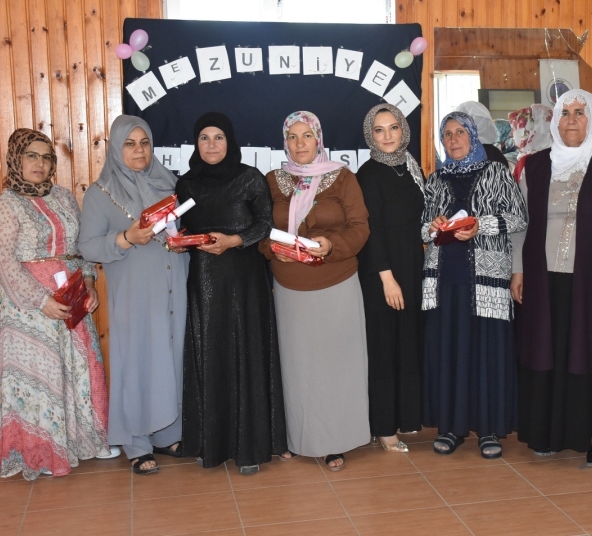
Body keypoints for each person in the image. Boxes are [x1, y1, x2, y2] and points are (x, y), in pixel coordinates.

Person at [511, 89, 592, 467]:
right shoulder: (534, 166)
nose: (571, 119)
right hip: (543, 281)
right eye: (565, 112)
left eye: (580, 112)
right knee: (549, 352)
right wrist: (517, 269)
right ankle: (548, 433)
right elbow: (521, 226)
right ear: (554, 121)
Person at [0, 128, 113, 480]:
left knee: (80, 368)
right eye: (31, 156)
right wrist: (41, 302)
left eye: (46, 157)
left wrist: (87, 281)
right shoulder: (3, 206)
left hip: (70, 294)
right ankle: (41, 451)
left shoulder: (64, 197)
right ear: (16, 160)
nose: (39, 164)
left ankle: (84, 441)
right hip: (29, 308)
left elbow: (81, 245)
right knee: (43, 376)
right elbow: (4, 263)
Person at [177, 112, 288, 475]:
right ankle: (212, 442)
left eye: (218, 137)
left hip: (244, 277)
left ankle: (250, 446)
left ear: (230, 141)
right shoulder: (187, 184)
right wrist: (178, 244)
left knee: (246, 353)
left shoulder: (249, 178)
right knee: (210, 353)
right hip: (205, 281)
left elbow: (266, 224)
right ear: (196, 143)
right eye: (204, 137)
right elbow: (182, 228)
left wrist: (235, 240)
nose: (211, 144)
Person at [259, 111, 370, 472]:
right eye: (292, 136)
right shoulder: (273, 180)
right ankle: (299, 438)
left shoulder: (341, 177)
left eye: (307, 135)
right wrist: (270, 248)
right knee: (299, 369)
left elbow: (360, 227)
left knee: (337, 367)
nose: (300, 143)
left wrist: (330, 244)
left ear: (318, 138)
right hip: (290, 286)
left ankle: (336, 441)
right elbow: (258, 230)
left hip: (336, 282)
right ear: (284, 141)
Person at [79, 115, 189, 475]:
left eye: (144, 143)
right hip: (134, 294)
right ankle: (136, 442)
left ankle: (169, 433)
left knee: (171, 357)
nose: (139, 151)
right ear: (115, 147)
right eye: (130, 143)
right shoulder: (101, 193)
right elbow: (88, 246)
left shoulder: (169, 182)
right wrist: (126, 238)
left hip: (175, 285)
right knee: (137, 361)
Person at [421, 111, 527, 459]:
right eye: (447, 134)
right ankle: (452, 427)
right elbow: (422, 228)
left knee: (486, 352)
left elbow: (518, 217)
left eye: (459, 133)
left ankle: (488, 429)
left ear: (472, 136)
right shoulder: (435, 179)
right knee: (450, 350)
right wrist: (434, 225)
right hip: (445, 280)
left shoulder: (497, 171)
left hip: (487, 279)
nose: (453, 140)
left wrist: (480, 224)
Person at [356, 103, 426, 453]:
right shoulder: (368, 173)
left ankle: (404, 417)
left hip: (411, 267)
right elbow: (372, 230)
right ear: (370, 134)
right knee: (383, 349)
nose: (387, 136)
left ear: (403, 131)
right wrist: (387, 278)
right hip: (382, 273)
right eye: (379, 130)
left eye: (393, 128)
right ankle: (383, 427)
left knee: (406, 344)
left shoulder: (412, 167)